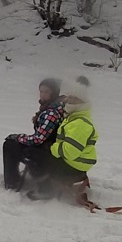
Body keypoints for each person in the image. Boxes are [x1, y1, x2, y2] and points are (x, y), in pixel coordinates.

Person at [27, 75, 99, 205]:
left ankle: (45, 190)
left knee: (35, 154)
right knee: (40, 149)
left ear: (81, 102)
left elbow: (70, 151)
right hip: (77, 161)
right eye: (69, 97)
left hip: (74, 164)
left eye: (74, 99)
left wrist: (51, 147)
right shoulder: (74, 115)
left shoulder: (79, 122)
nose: (69, 100)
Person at [3, 77, 65, 190]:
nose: (42, 95)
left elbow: (38, 139)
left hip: (46, 151)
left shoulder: (51, 113)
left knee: (10, 144)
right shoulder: (55, 107)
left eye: (46, 92)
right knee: (13, 142)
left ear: (54, 93)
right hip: (48, 148)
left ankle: (11, 182)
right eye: (41, 91)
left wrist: (17, 138)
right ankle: (13, 178)